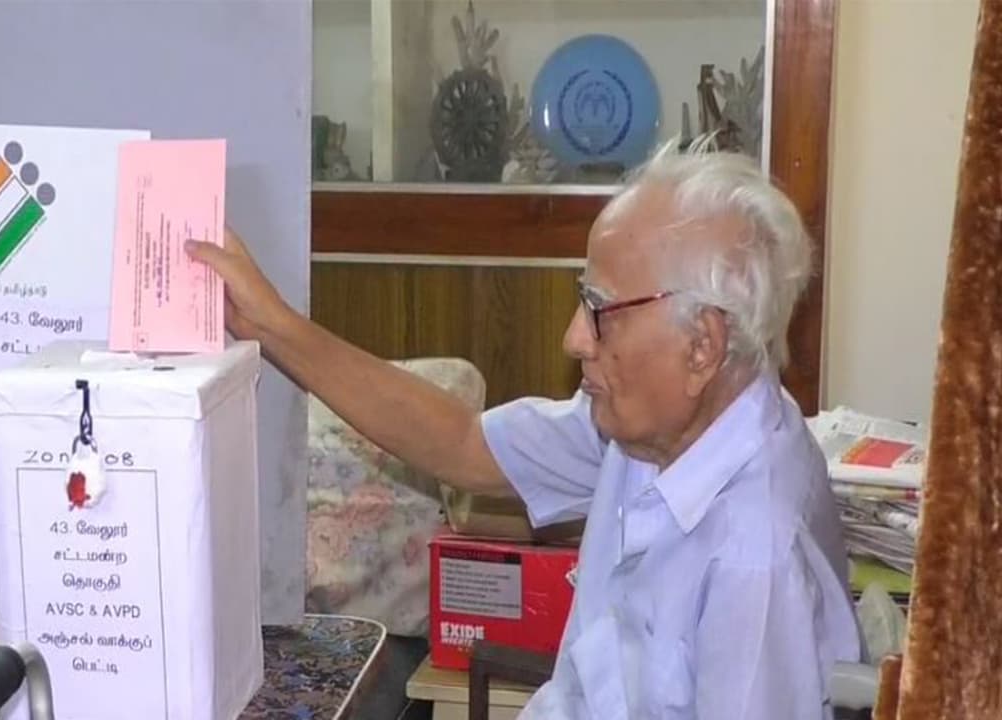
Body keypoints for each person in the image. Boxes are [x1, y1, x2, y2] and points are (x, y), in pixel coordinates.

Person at [185, 142, 863, 719]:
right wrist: (269, 324)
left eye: (600, 310)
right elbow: (462, 444)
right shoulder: (657, 426)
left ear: (701, 347)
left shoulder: (756, 558)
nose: (574, 338)